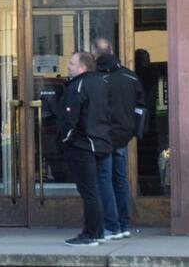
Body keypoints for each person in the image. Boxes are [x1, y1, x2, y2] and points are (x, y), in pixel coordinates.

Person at [92, 38, 144, 240]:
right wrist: (133, 131)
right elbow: (141, 107)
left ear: (95, 54)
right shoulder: (130, 77)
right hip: (123, 136)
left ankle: (111, 226)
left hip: (103, 135)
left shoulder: (95, 78)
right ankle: (122, 224)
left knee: (104, 179)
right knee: (120, 179)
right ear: (112, 50)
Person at [59, 51, 111, 247]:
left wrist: (65, 140)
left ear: (82, 67)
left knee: (88, 191)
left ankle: (90, 234)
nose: (68, 66)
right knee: (94, 189)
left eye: (72, 63)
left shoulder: (78, 85)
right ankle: (97, 232)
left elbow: (70, 117)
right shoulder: (102, 83)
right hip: (100, 144)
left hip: (82, 145)